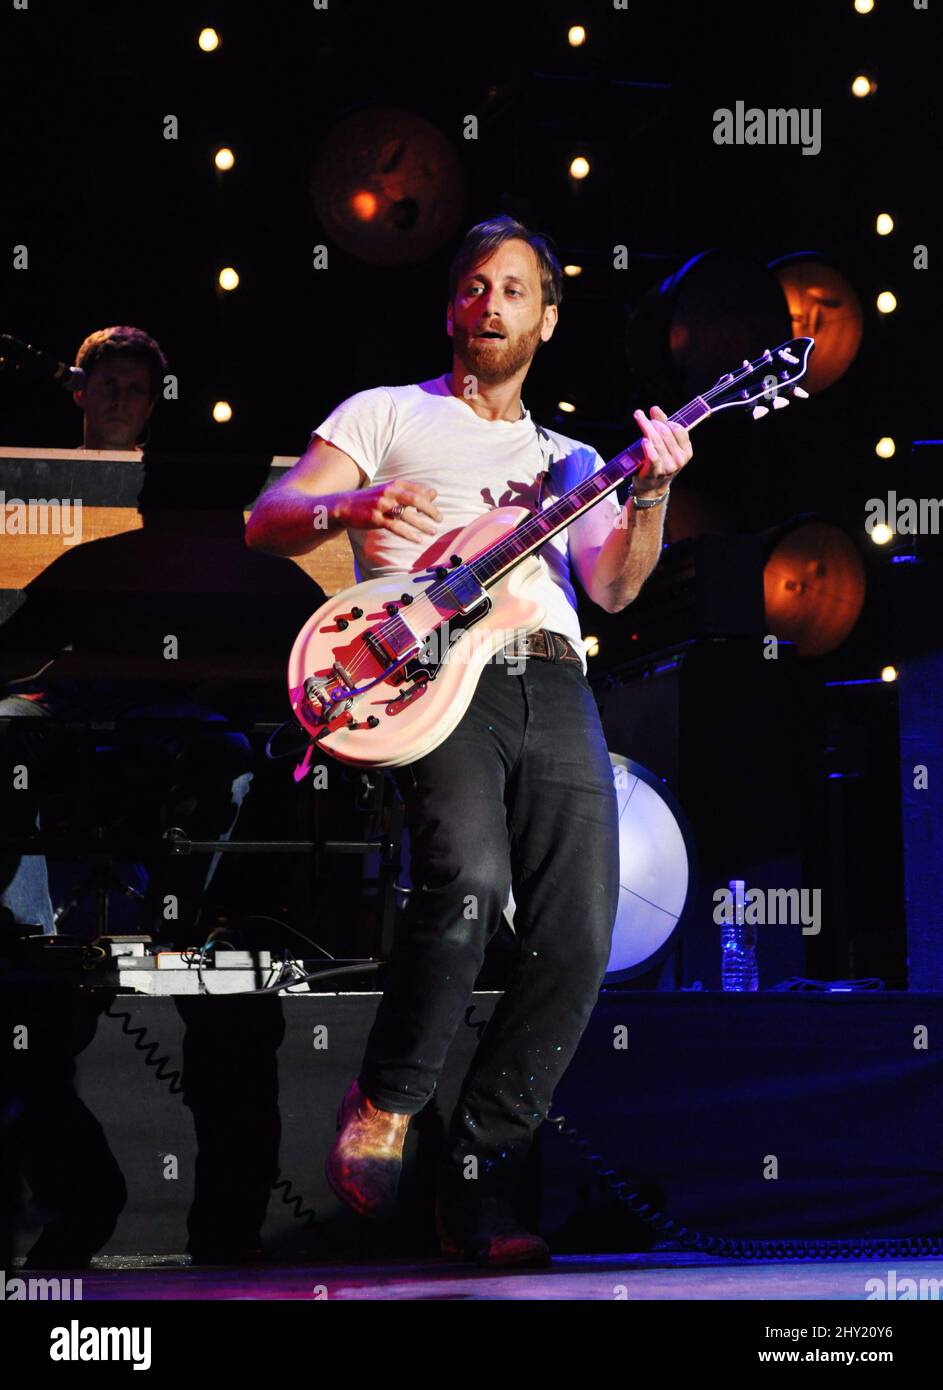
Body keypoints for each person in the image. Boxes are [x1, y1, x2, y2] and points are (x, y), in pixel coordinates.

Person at [246, 214, 693, 1266]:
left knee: (580, 937)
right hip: (436, 682)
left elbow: (616, 586)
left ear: (545, 318)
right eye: (474, 286)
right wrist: (351, 500)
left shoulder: (572, 457)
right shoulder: (385, 412)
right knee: (463, 886)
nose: (490, 304)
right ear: (451, 305)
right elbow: (268, 518)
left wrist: (655, 491)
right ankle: (389, 1098)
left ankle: (477, 1185)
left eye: (513, 290)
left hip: (555, 674)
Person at [0, 326, 253, 942]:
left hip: (153, 698)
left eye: (134, 388)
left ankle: (178, 935)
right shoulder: (26, 484)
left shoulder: (173, 494)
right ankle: (28, 938)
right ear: (80, 394)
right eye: (106, 385)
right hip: (51, 697)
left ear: (152, 402)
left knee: (231, 751)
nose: (118, 399)